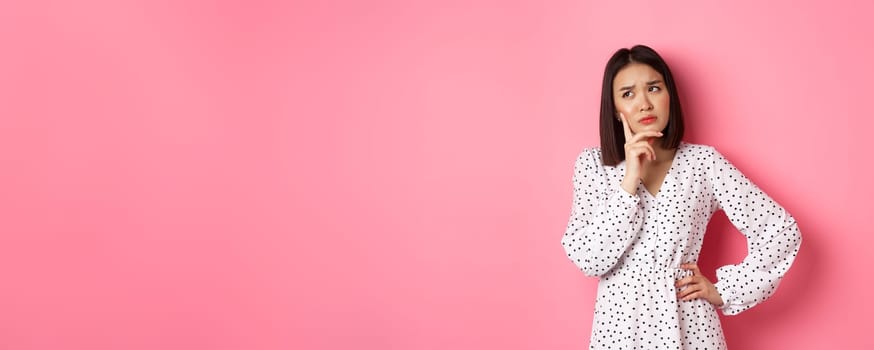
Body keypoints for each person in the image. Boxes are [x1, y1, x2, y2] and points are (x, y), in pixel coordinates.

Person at [560, 45, 802, 349]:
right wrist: (629, 180)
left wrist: (726, 290)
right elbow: (589, 259)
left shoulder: (703, 163)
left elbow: (780, 231)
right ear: (614, 108)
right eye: (628, 94)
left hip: (691, 329)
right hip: (620, 332)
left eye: (653, 88)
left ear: (669, 95)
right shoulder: (593, 166)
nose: (645, 104)